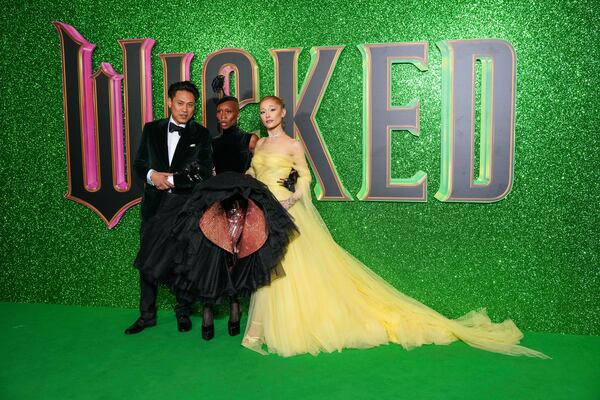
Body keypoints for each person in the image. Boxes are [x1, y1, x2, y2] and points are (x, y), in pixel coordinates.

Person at [241, 96, 548, 358]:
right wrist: (237, 182)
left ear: (283, 113)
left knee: (289, 266)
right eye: (263, 111)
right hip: (263, 210)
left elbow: (305, 176)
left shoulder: (292, 144)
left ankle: (288, 328)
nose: (267, 116)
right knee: (270, 266)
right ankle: (263, 329)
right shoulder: (261, 143)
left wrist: (294, 196)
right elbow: (253, 172)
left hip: (286, 210)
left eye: (272, 110)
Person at [124, 81, 212, 335]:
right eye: (180, 103)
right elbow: (140, 163)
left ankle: (183, 311)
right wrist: (153, 176)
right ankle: (146, 315)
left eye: (190, 105)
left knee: (184, 261)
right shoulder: (151, 129)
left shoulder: (202, 134)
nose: (185, 110)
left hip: (186, 208)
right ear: (170, 102)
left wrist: (171, 179)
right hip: (155, 207)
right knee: (148, 261)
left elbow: (204, 172)